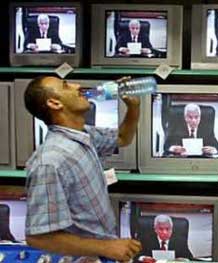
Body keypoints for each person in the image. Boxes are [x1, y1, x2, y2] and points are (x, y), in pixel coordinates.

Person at [24, 76, 142, 262]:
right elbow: (38, 237)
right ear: (54, 103)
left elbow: (122, 138)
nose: (77, 86)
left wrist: (133, 107)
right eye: (65, 85)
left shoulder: (83, 134)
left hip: (101, 255)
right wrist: (107, 247)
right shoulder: (49, 162)